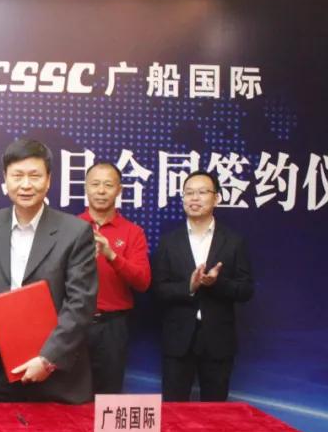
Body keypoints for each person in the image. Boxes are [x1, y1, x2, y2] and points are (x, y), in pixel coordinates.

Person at [0, 138, 97, 404]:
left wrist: (48, 358)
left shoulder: (75, 232)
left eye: (34, 176)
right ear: (5, 179)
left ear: (48, 180)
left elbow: (80, 303)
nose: (25, 185)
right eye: (17, 176)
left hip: (51, 370)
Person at [151, 170, 255, 401]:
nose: (194, 198)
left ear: (216, 198)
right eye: (189, 193)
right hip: (178, 340)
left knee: (215, 412)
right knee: (174, 411)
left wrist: (217, 283)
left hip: (218, 339)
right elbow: (158, 289)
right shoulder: (169, 241)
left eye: (202, 192)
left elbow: (246, 290)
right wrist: (189, 286)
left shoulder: (233, 241)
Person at [78, 161, 151, 394]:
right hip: (74, 322)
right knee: (72, 395)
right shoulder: (70, 227)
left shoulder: (133, 232)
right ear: (86, 187)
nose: (101, 191)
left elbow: (143, 282)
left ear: (119, 190)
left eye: (108, 185)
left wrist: (111, 255)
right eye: (95, 184)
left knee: (108, 395)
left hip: (113, 327)